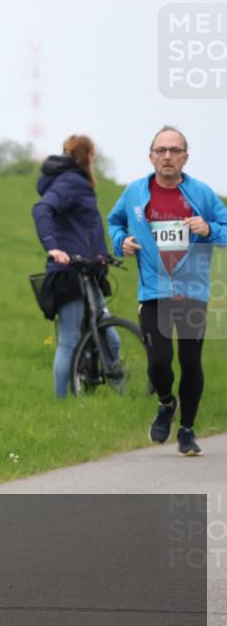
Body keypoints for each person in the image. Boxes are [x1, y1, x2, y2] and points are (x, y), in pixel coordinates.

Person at [108, 126, 227, 456]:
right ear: (151, 157)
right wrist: (122, 242)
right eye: (161, 150)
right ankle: (165, 403)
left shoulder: (202, 193)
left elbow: (226, 229)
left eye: (175, 151)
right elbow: (114, 221)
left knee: (191, 363)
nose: (168, 156)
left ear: (185, 158)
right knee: (159, 362)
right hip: (153, 291)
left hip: (193, 292)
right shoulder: (134, 192)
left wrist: (209, 229)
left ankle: (187, 430)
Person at [31, 135, 120, 398]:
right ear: (89, 156)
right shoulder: (70, 182)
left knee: (111, 337)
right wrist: (53, 248)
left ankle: (121, 395)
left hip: (88, 270)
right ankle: (61, 404)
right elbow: (41, 210)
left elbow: (86, 228)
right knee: (69, 339)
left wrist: (102, 256)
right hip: (68, 273)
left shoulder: (78, 183)